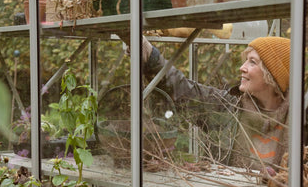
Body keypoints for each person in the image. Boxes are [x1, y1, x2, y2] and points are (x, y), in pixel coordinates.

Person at [122, 35, 290, 174]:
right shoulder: (227, 107)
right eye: (245, 60)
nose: (242, 67)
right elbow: (182, 90)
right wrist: (142, 48)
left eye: (252, 62)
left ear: (272, 73)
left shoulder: (301, 119)